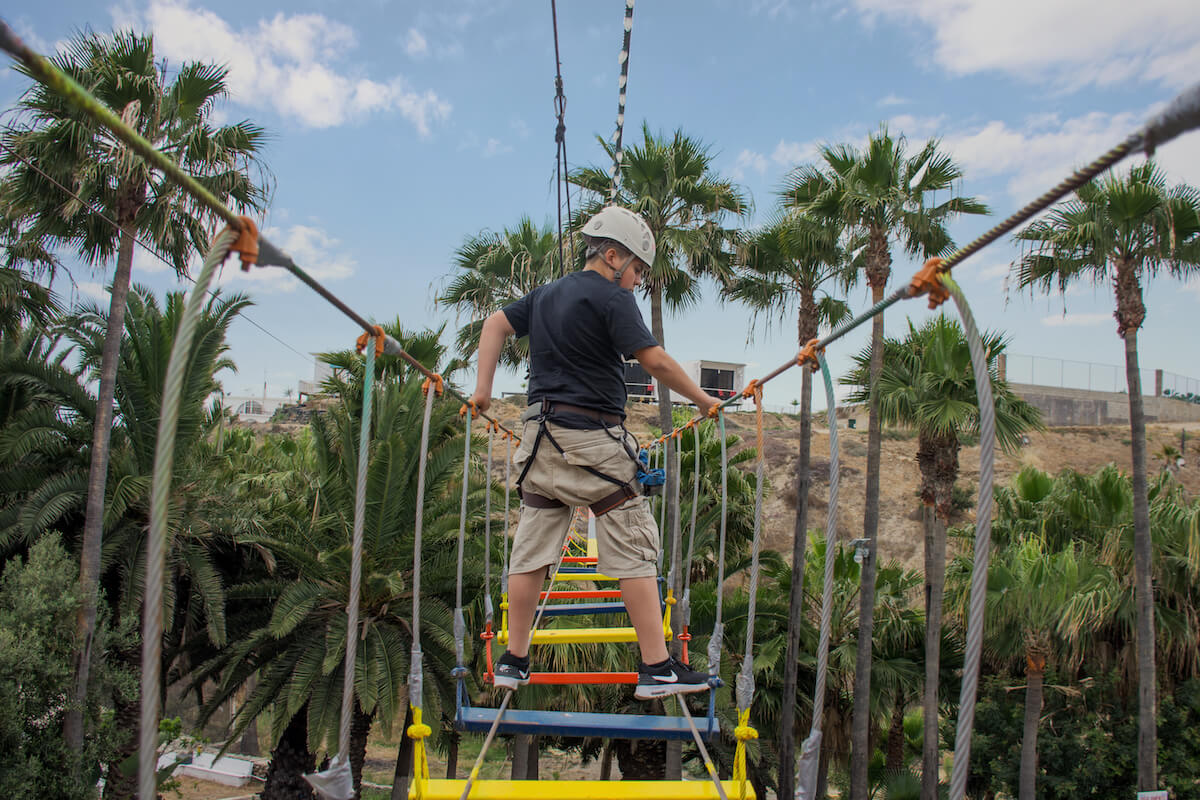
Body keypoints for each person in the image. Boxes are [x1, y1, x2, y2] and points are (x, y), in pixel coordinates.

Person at [468, 206, 721, 700]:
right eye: (637, 272)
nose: (637, 283)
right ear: (612, 257)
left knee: (531, 551)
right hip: (592, 444)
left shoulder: (543, 295)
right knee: (633, 545)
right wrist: (705, 399)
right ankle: (657, 669)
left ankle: (513, 660)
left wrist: (483, 391)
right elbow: (655, 361)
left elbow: (493, 325)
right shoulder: (612, 297)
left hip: (538, 439)